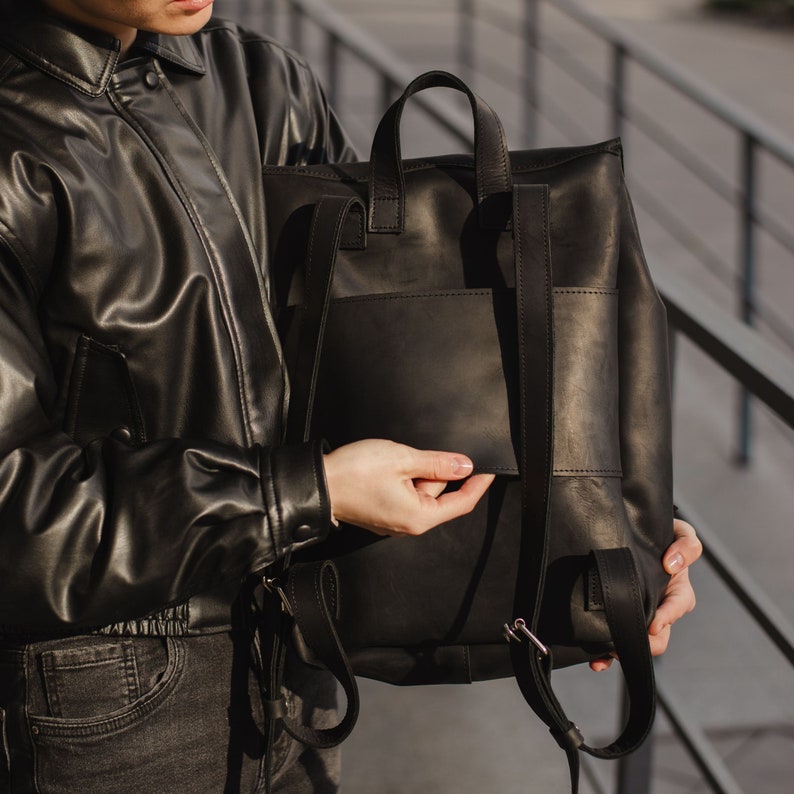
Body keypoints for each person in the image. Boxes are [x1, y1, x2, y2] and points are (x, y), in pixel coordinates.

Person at [0, 1, 702, 791]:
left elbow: (388, 363)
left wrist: (620, 518)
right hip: (112, 689)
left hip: (303, 658)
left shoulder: (263, 81)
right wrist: (310, 491)